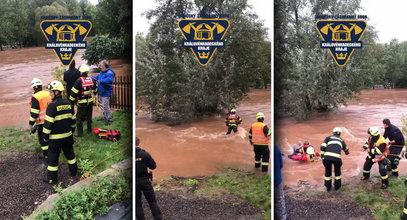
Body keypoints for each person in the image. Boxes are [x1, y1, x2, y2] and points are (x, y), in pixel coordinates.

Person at [42, 80, 77, 184]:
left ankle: (52, 179)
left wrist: (45, 136)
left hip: (55, 139)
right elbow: (73, 121)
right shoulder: (68, 103)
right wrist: (71, 131)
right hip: (68, 137)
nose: (49, 93)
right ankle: (74, 172)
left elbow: (48, 124)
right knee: (70, 155)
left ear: (57, 92)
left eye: (51, 91)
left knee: (52, 158)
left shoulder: (52, 106)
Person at [136, 137, 162, 220]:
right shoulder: (145, 154)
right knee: (152, 202)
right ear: (138, 143)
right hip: (145, 182)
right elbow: (153, 166)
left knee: (137, 204)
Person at [69, 64, 97, 137]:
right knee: (89, 116)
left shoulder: (79, 81)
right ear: (87, 72)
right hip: (90, 101)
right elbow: (96, 90)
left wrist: (71, 102)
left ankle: (80, 133)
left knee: (79, 118)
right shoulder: (92, 80)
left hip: (82, 103)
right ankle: (89, 130)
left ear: (81, 72)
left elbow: (73, 93)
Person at [29, 78, 52, 159]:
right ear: (41, 86)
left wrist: (31, 123)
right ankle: (54, 150)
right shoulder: (48, 93)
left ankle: (46, 154)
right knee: (51, 136)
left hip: (42, 123)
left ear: (33, 87)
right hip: (52, 120)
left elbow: (34, 113)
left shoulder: (35, 97)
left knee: (43, 139)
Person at [320, 127, 349, 191]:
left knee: (327, 172)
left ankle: (328, 187)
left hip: (327, 158)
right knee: (337, 172)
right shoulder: (341, 140)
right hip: (337, 159)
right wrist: (347, 153)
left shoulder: (328, 138)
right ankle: (337, 187)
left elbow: (322, 147)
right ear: (340, 133)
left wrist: (322, 156)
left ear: (333, 132)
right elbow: (346, 149)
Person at [92, 60, 115, 125]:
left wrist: (100, 81)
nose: (100, 67)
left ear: (104, 66)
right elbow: (96, 77)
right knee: (103, 106)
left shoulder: (109, 73)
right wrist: (90, 78)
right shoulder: (101, 73)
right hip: (101, 92)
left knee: (106, 107)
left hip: (106, 92)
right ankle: (105, 117)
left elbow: (109, 80)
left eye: (101, 65)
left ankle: (109, 120)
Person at [274, 145, 287, 220]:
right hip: (277, 179)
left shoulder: (276, 149)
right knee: (279, 199)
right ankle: (282, 217)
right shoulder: (276, 149)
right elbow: (281, 165)